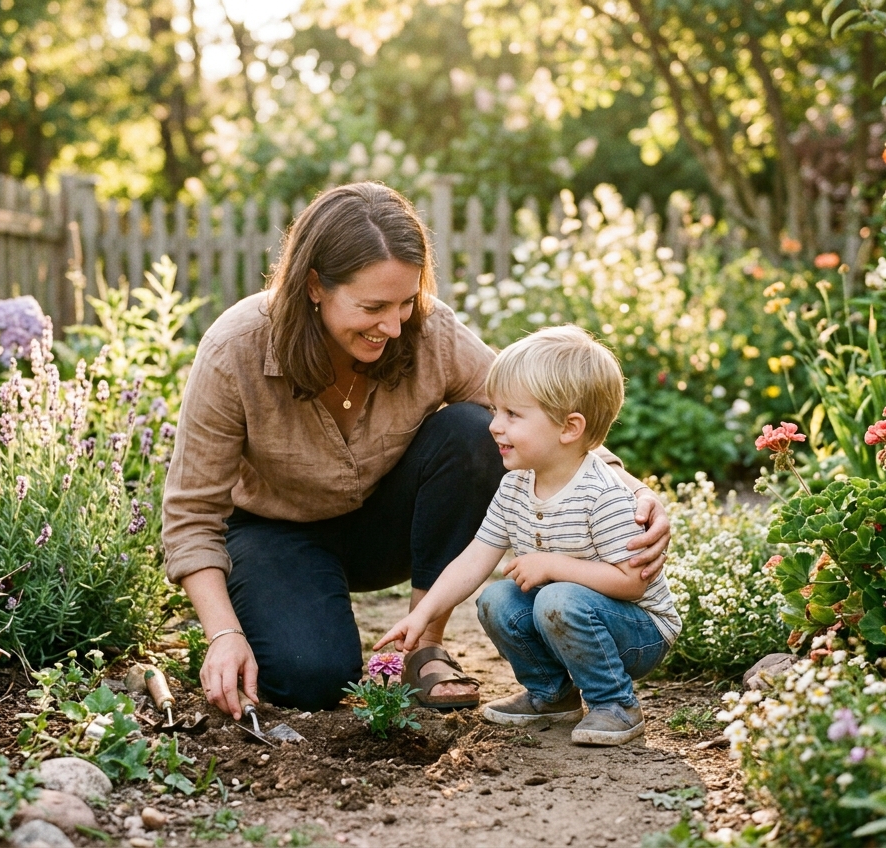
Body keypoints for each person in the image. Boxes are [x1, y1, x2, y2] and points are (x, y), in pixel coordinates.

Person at [160, 181, 671, 719]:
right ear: (314, 285)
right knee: (311, 679)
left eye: (406, 301)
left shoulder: (428, 330)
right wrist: (222, 633)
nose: (395, 325)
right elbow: (192, 513)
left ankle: (424, 647)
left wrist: (630, 488)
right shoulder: (234, 349)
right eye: (374, 306)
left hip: (386, 526)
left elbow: (537, 414)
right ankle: (305, 628)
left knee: (477, 431)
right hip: (276, 535)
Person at [375, 324, 680, 746]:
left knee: (557, 597)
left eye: (512, 415)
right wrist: (421, 614)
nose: (493, 426)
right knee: (496, 599)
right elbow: (474, 559)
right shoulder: (517, 485)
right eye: (496, 410)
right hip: (571, 616)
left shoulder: (603, 494)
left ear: (569, 427)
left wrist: (554, 566)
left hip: (638, 634)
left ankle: (615, 704)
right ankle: (551, 694)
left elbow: (632, 582)